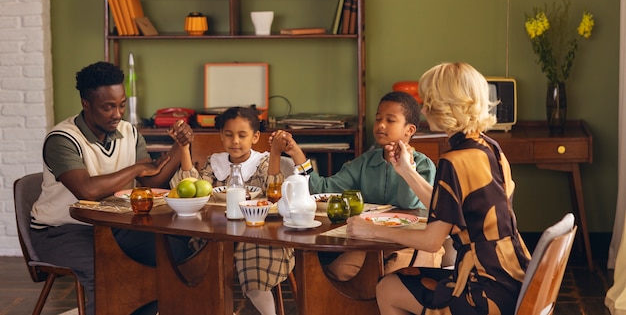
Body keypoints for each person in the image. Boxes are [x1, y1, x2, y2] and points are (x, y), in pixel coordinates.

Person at [347, 62, 532, 315]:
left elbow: (431, 242)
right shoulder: (490, 148)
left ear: (446, 105)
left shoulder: (453, 160)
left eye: (428, 101)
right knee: (397, 281)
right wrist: (406, 171)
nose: (423, 109)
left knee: (388, 288)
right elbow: (451, 210)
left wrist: (372, 231)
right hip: (513, 278)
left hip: (483, 291)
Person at [30, 61, 194, 315]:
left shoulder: (129, 132)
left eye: (121, 105)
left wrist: (179, 147)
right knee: (108, 273)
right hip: (62, 231)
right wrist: (138, 169)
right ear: (86, 103)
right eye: (108, 107)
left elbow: (152, 181)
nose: (117, 114)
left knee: (175, 252)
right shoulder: (62, 139)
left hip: (115, 227)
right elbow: (87, 190)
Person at [271, 91, 438, 278]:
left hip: (412, 244)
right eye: (378, 118)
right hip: (372, 243)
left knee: (395, 279)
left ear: (410, 130)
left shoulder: (423, 165)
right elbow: (324, 190)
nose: (380, 125)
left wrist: (407, 167)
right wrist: (296, 153)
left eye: (390, 120)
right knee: (340, 273)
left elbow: (409, 204)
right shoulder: (365, 162)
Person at [170, 106, 294, 315]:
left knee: (253, 256)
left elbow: (274, 192)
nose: (235, 141)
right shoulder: (215, 162)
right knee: (195, 254)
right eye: (228, 135)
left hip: (257, 234)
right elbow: (193, 190)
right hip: (217, 234)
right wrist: (184, 149)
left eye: (242, 135)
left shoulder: (262, 162)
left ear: (255, 137)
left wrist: (275, 153)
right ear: (221, 136)